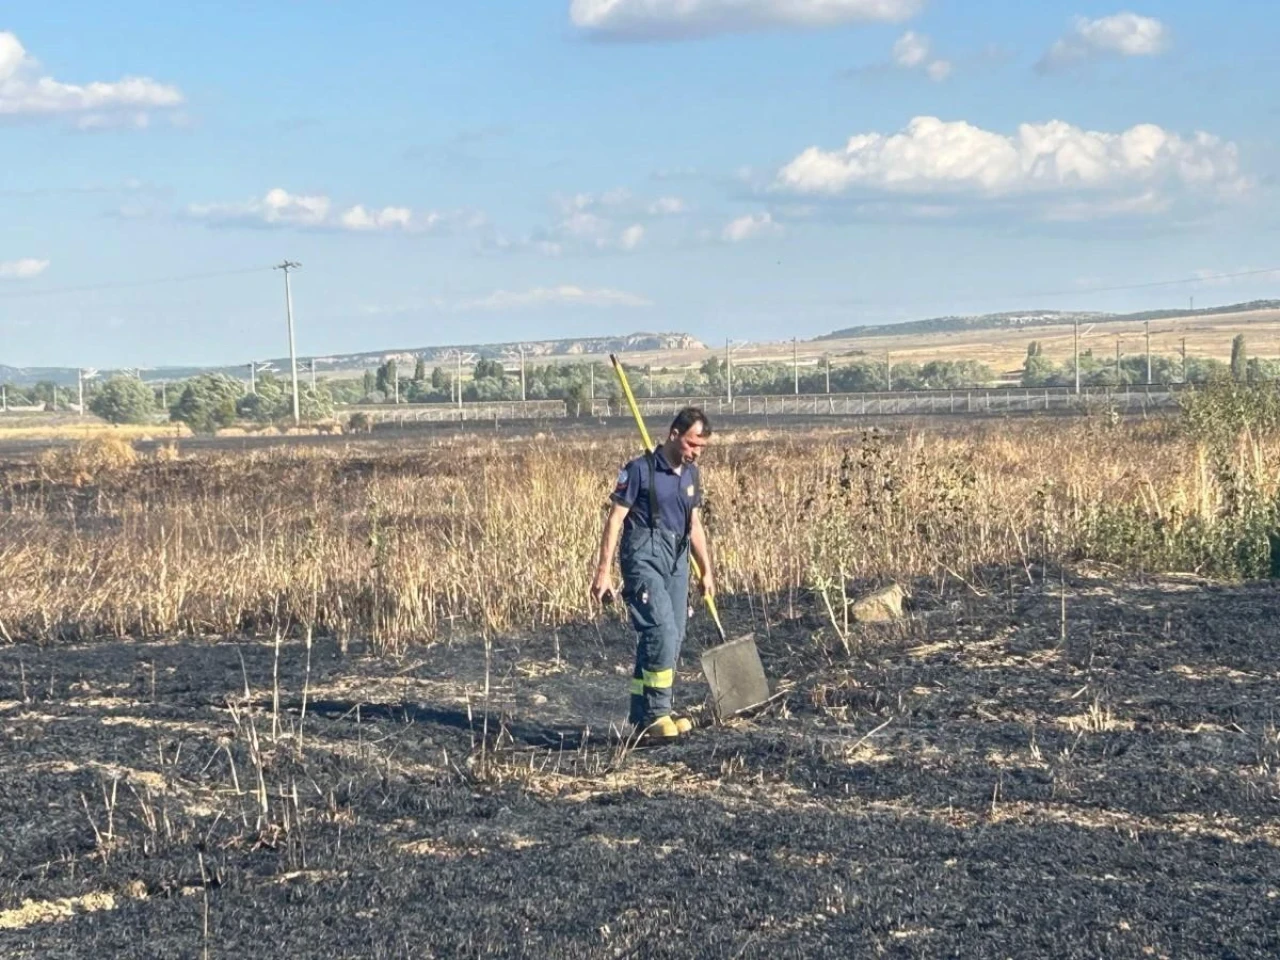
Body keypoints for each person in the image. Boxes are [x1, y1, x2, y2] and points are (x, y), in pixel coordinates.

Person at [590, 407, 715, 742]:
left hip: (677, 559)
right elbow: (615, 520)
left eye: (701, 447)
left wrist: (706, 570)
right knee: (659, 629)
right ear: (674, 434)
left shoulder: (691, 476)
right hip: (643, 555)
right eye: (691, 444)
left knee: (672, 635)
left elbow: (695, 525)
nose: (695, 453)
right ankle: (657, 714)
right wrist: (603, 572)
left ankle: (644, 712)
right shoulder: (639, 471)